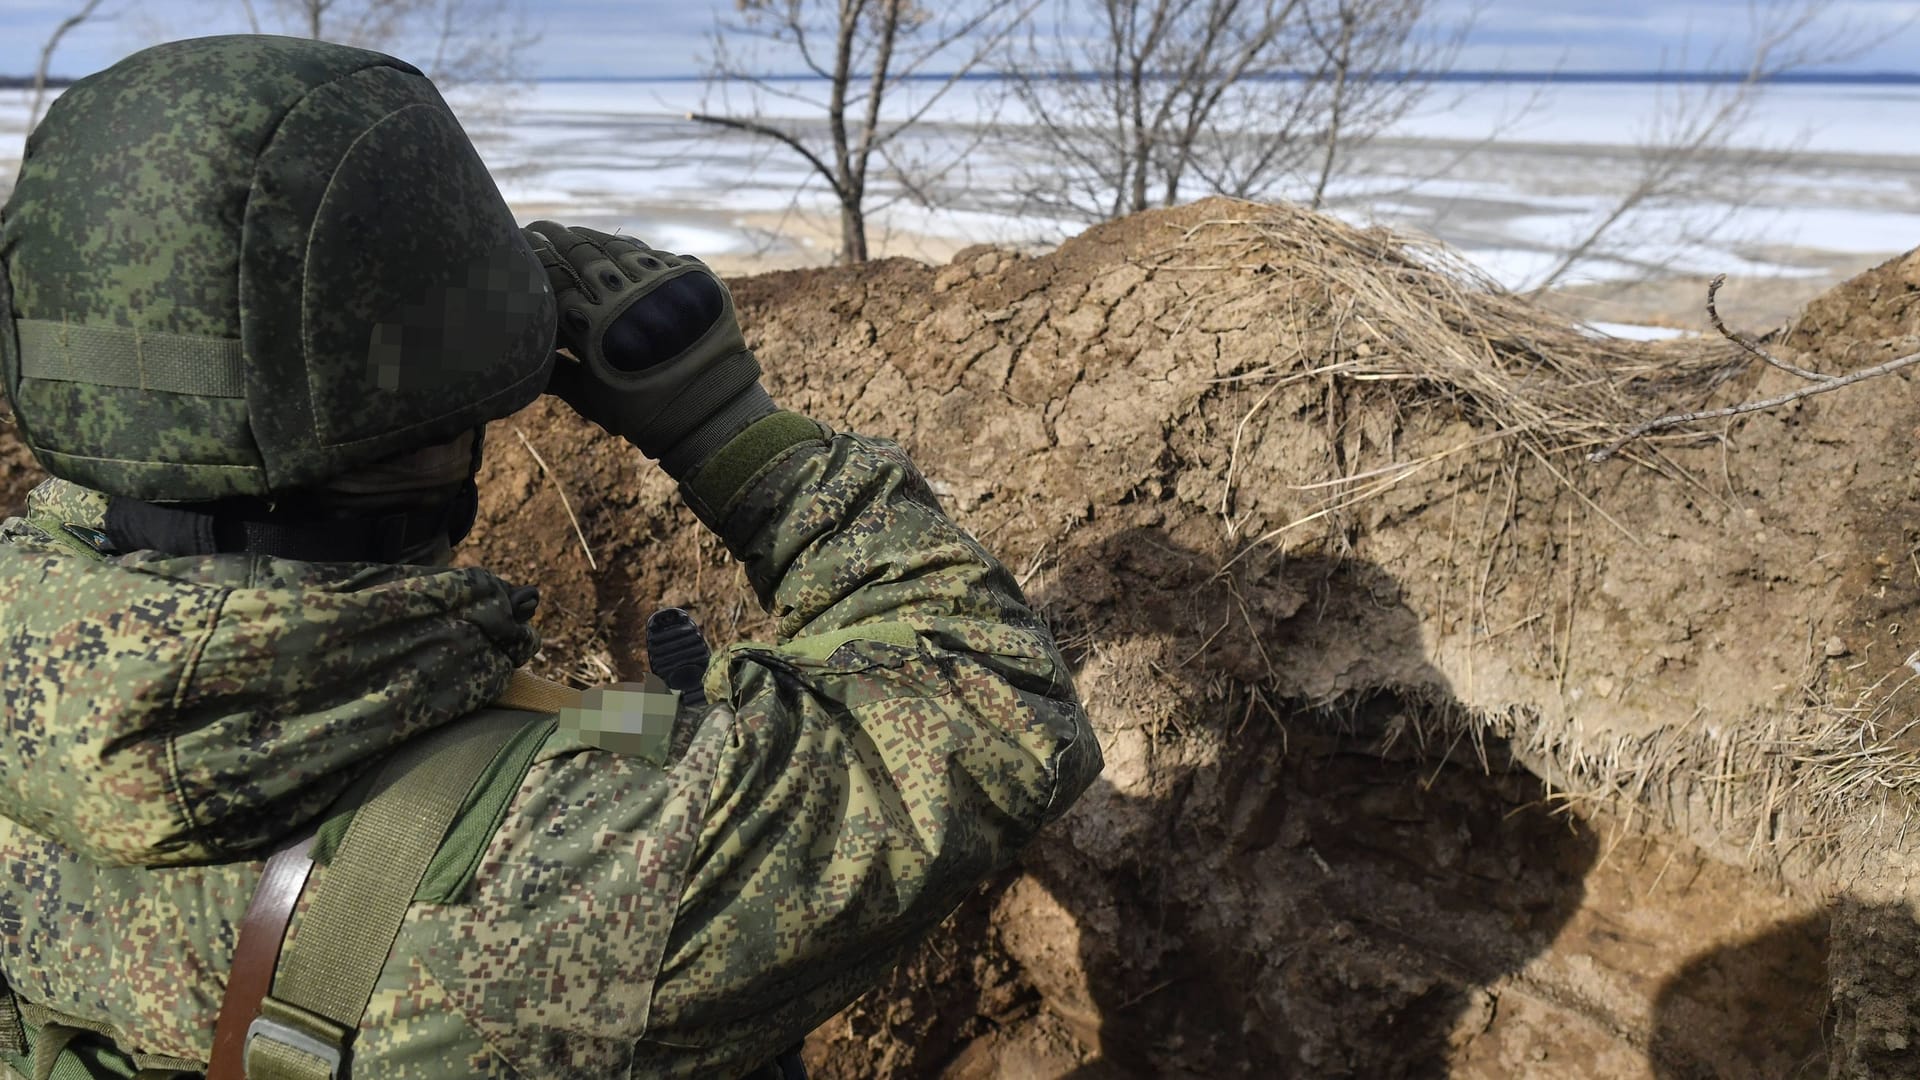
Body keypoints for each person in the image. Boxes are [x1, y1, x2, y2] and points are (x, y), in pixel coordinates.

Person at [0, 34, 1099, 1080]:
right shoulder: (590, 861)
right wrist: (723, 421)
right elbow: (996, 702)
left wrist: (627, 726)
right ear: (445, 422)